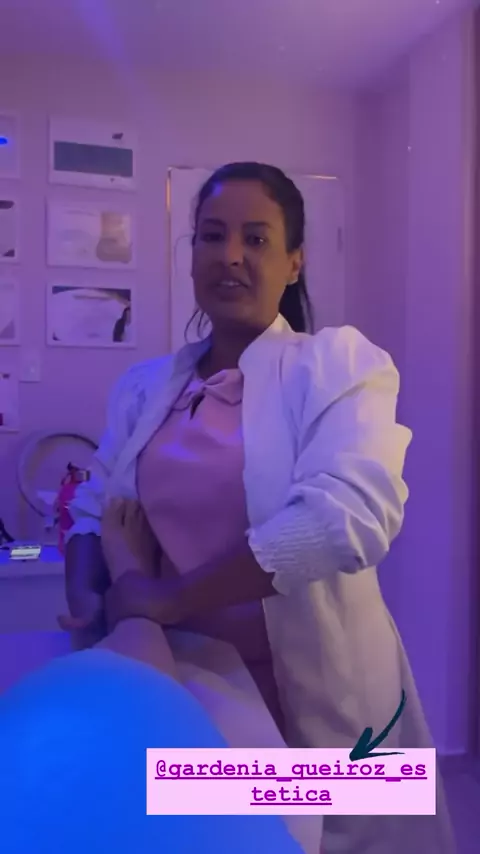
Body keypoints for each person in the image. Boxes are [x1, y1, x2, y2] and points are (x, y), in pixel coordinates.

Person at [63, 161, 455, 853]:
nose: (231, 255)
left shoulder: (339, 365)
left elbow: (347, 519)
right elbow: (94, 506)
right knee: (224, 837)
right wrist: (94, 603)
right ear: (191, 254)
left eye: (256, 238)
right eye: (212, 236)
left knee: (329, 840)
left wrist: (166, 598)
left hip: (326, 702)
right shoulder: (144, 388)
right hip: (193, 688)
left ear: (294, 261)